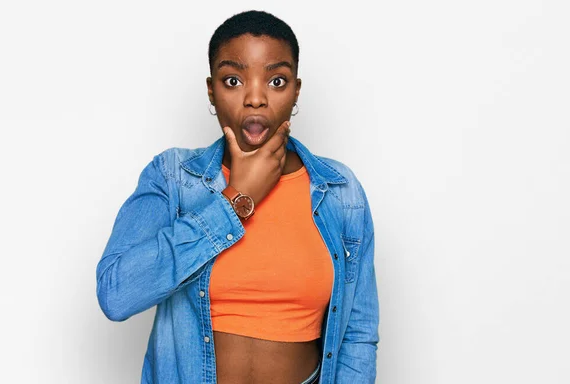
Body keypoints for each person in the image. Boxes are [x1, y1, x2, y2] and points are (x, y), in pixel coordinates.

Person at [96, 10, 379, 384]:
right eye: (233, 80)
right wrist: (236, 198)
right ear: (212, 90)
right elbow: (116, 294)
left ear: (296, 90)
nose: (256, 99)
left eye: (276, 80)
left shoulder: (341, 192)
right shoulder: (173, 177)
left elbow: (357, 335)